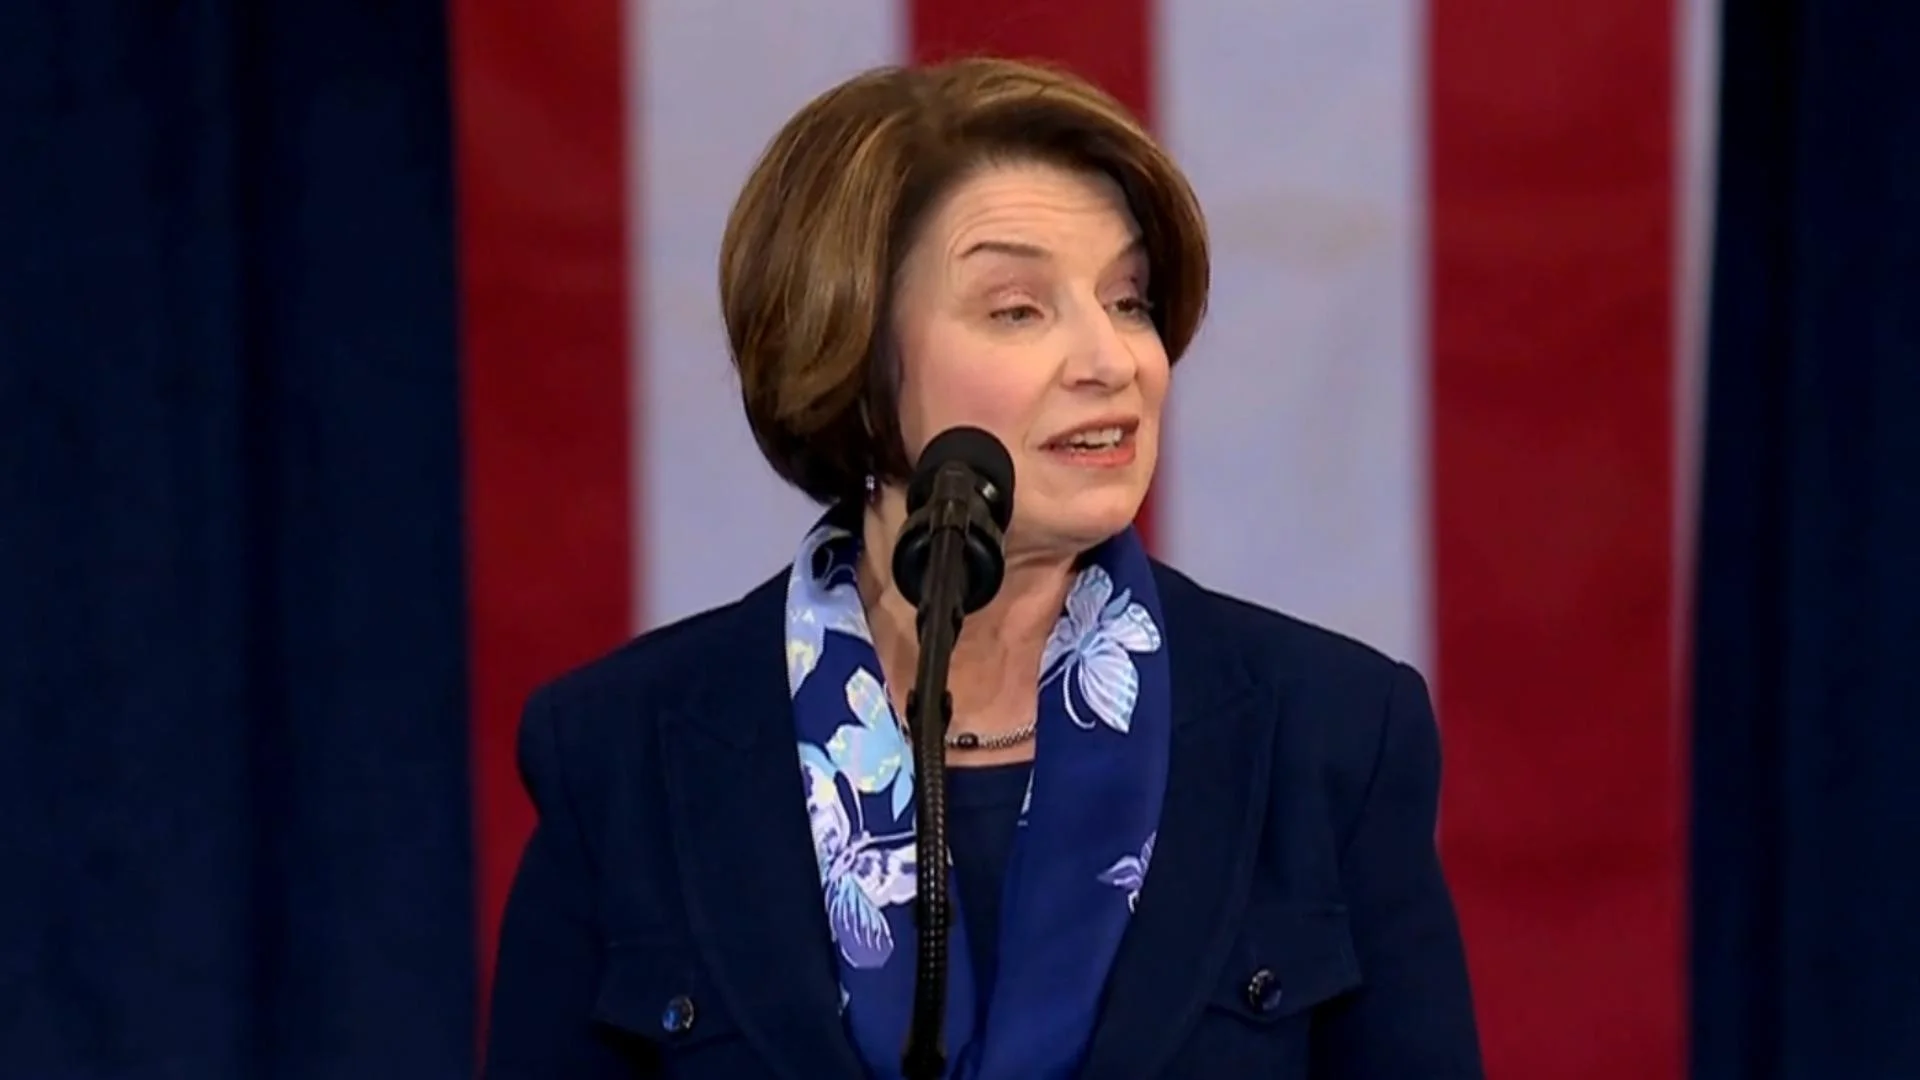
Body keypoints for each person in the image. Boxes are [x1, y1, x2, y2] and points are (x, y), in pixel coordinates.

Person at [482, 57, 1483, 1079]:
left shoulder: (1332, 737)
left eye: (1129, 301)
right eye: (1018, 309)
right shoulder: (622, 756)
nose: (1111, 360)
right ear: (852, 354)